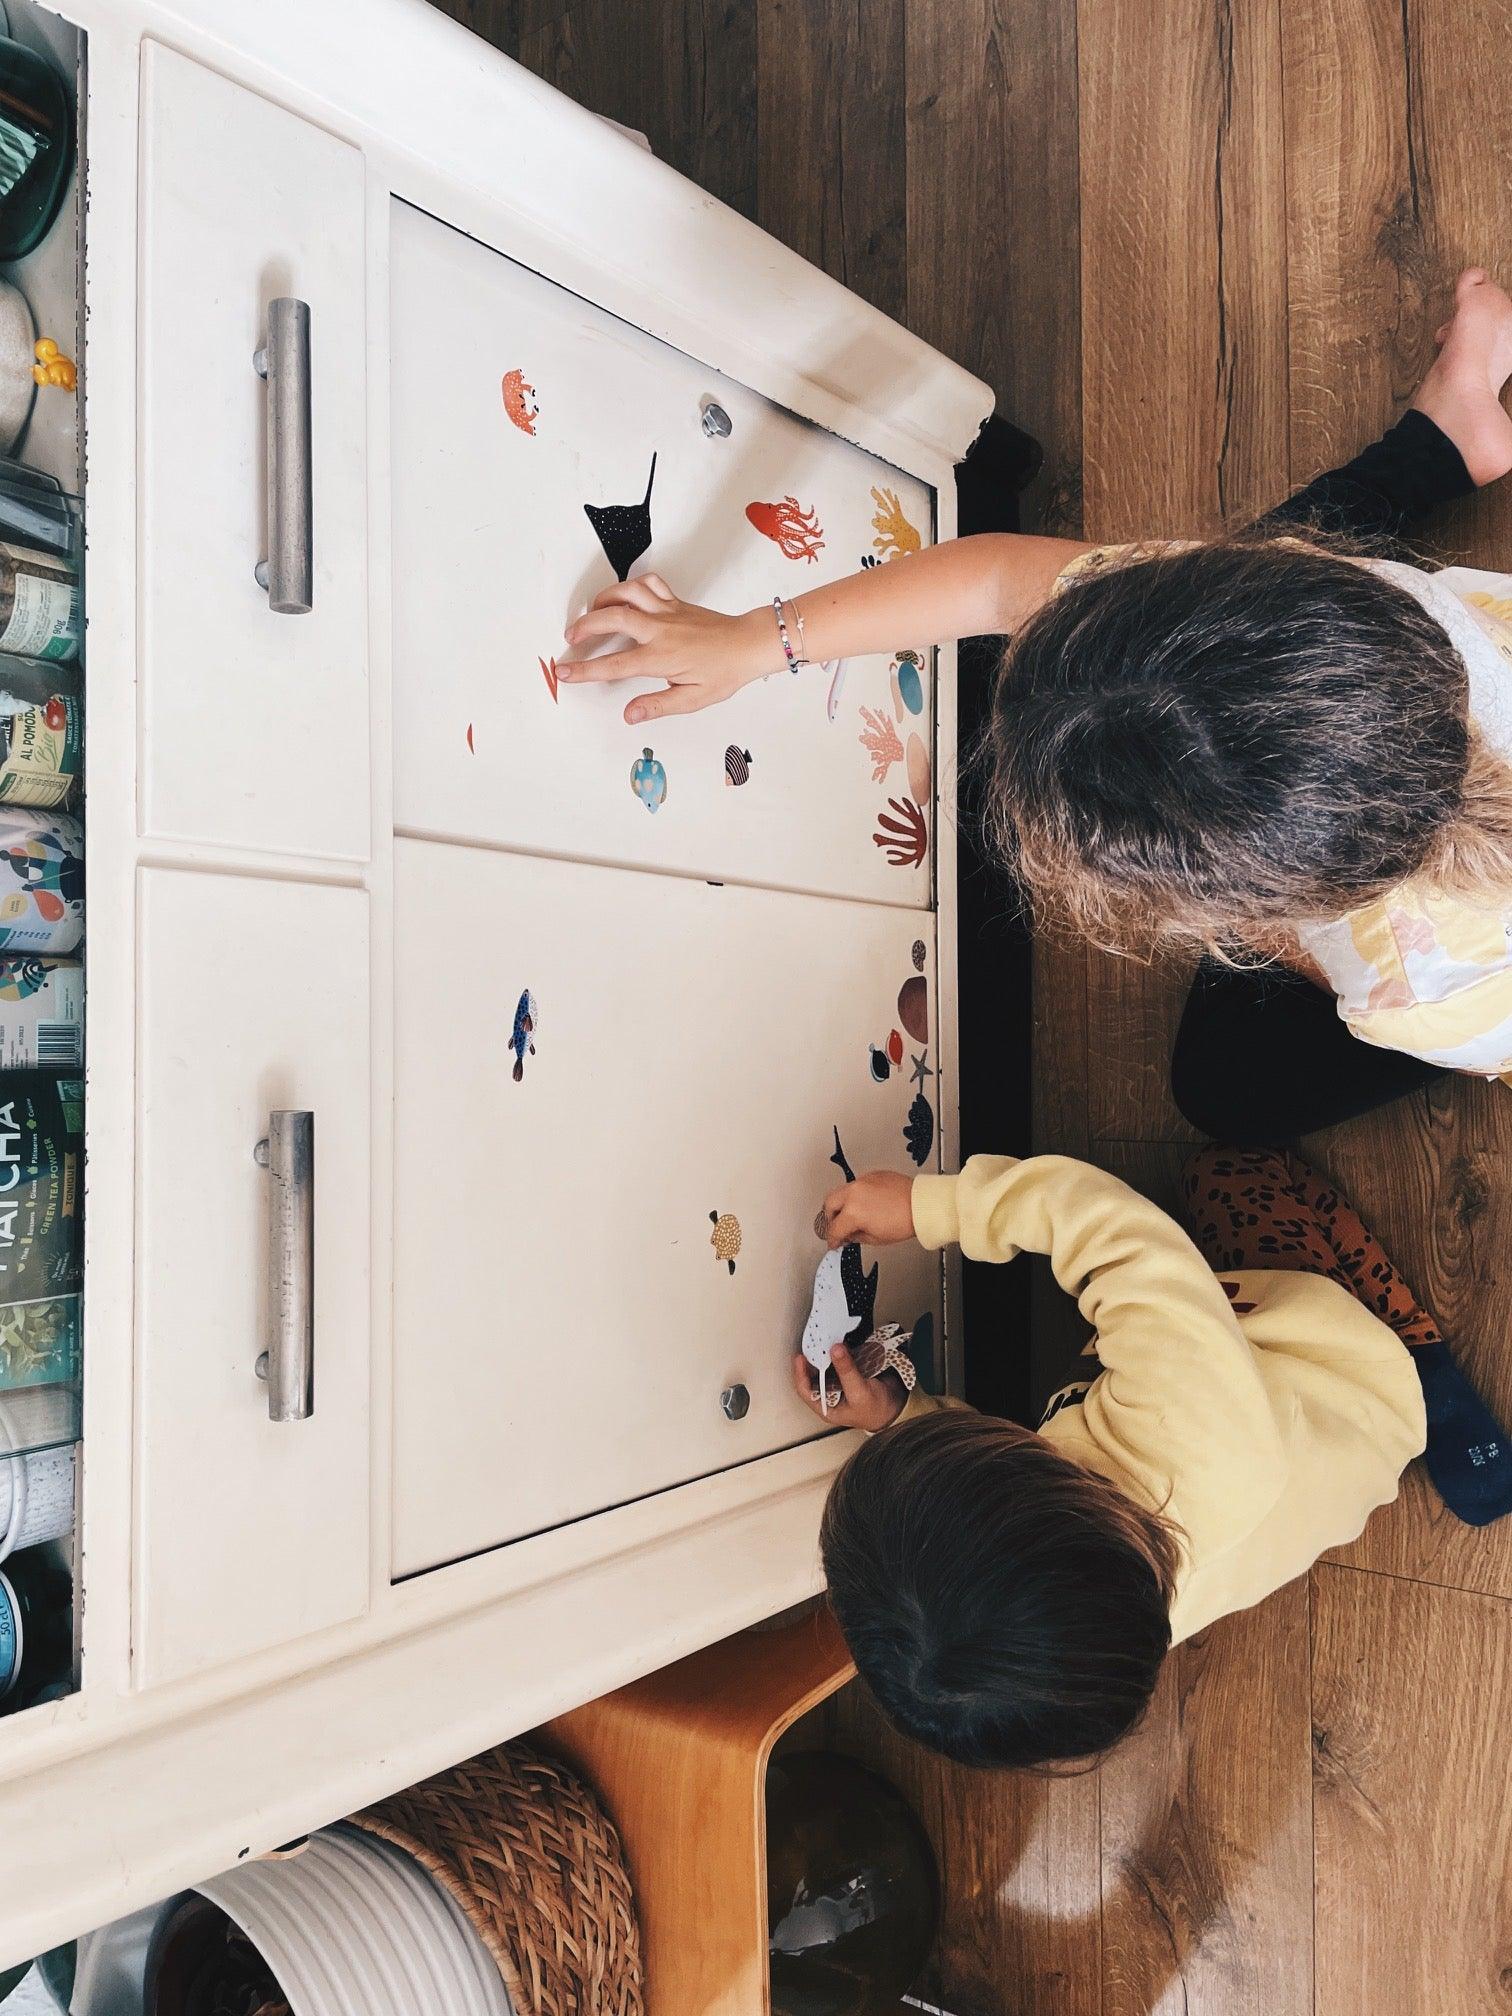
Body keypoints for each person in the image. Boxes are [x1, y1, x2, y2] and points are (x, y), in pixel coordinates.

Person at [557, 270, 1512, 1113]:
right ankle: (1443, 442)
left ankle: (1438, 446)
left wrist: (1291, 931)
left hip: (1426, 951)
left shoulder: (1419, 991)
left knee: (1223, 1092)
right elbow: (993, 580)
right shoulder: (1373, 621)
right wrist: (752, 644)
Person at [793, 1148, 1440, 1770]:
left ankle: (1436, 1414)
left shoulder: (1099, 1620)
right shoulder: (1186, 1417)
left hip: (1324, 1474)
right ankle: (1429, 1364)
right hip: (1352, 1368)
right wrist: (934, 1207)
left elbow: (990, 1528)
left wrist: (897, 1416)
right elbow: (1118, 1232)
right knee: (1223, 1175)